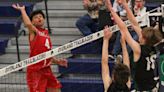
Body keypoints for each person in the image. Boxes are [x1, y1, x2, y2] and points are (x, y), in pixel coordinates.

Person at [105, 0, 163, 91]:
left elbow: (123, 28)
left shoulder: (138, 49)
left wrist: (111, 10)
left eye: (142, 36)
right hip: (154, 87)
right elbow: (135, 23)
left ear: (144, 39)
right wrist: (125, 5)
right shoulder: (155, 46)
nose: (140, 36)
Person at [12, 4, 68, 92]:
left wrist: (57, 61)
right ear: (32, 22)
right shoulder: (34, 32)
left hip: (46, 69)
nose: (39, 18)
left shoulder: (46, 34)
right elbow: (28, 24)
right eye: (36, 17)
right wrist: (23, 10)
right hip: (35, 70)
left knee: (56, 89)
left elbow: (46, 54)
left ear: (44, 19)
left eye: (41, 16)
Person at [101, 26, 131, 92]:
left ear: (113, 77)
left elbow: (104, 62)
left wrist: (106, 39)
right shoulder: (127, 86)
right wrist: (123, 44)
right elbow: (127, 63)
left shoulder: (109, 86)